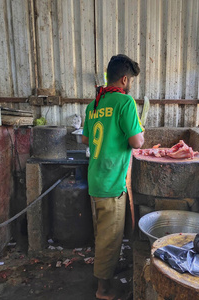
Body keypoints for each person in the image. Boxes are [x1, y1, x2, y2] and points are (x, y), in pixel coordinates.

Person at [82, 54, 144, 300]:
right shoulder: (125, 103)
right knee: (110, 239)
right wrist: (139, 133)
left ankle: (104, 274)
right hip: (112, 183)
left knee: (102, 234)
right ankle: (103, 290)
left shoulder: (94, 103)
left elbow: (86, 139)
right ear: (125, 79)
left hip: (95, 179)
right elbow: (137, 142)